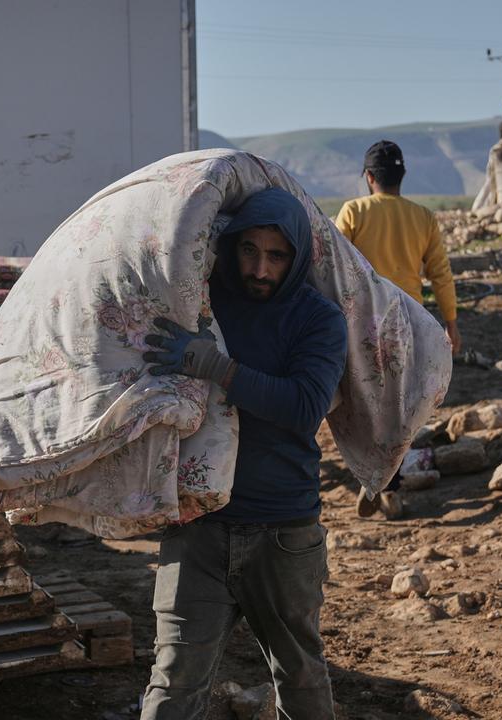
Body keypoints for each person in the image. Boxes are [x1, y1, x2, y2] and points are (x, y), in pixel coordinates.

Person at [137, 187, 347, 720]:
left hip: (283, 530)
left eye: (276, 256)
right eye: (248, 250)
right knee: (174, 678)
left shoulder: (317, 319)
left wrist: (217, 368)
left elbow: (304, 405)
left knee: (298, 672)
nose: (259, 268)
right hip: (198, 526)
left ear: (297, 258)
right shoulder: (202, 303)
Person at [333, 140, 459, 520]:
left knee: (363, 403)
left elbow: (331, 264)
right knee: (400, 407)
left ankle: (377, 479)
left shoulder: (354, 211)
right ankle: (387, 482)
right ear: (401, 177)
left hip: (362, 325)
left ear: (369, 177)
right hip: (411, 326)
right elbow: (440, 274)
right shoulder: (423, 217)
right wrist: (451, 323)